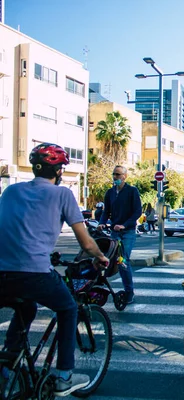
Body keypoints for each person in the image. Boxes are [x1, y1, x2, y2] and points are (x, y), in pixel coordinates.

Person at [0, 143, 110, 397]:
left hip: (3, 273)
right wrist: (100, 257)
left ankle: (7, 368)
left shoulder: (11, 191)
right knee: (68, 308)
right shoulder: (62, 195)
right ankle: (63, 377)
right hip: (35, 273)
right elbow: (85, 241)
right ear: (59, 171)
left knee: (26, 307)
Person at [98, 165, 142, 305]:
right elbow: (106, 211)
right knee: (105, 259)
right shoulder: (110, 193)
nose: (115, 177)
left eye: (118, 174)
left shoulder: (132, 191)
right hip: (114, 231)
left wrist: (125, 224)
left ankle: (129, 292)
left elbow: (137, 212)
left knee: (123, 261)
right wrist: (102, 222)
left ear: (125, 176)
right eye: (114, 174)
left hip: (127, 231)